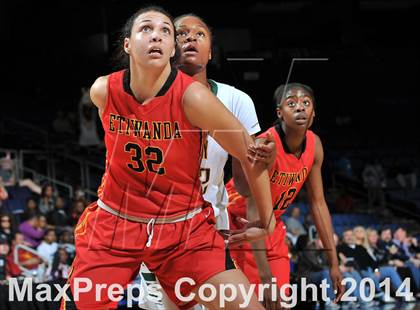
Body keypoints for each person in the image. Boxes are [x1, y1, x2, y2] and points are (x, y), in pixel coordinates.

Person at [62, 6, 274, 310]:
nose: (156, 36)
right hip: (115, 224)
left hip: (183, 231)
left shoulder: (194, 98)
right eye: (146, 28)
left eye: (165, 31)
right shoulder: (103, 91)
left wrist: (265, 221)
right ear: (127, 44)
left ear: (172, 48)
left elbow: (252, 156)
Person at [139, 13, 275, 310]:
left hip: (210, 227)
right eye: (182, 33)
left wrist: (265, 160)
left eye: (199, 34)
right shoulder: (145, 99)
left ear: (211, 51)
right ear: (170, 47)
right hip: (159, 229)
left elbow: (243, 183)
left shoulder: (236, 99)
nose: (190, 38)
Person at [227, 83, 344, 307]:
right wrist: (265, 277)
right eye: (292, 103)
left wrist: (333, 263)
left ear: (314, 112)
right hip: (240, 227)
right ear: (279, 112)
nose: (300, 108)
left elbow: (318, 204)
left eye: (306, 103)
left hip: (272, 228)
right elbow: (253, 207)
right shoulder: (264, 145)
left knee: (281, 304)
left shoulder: (315, 145)